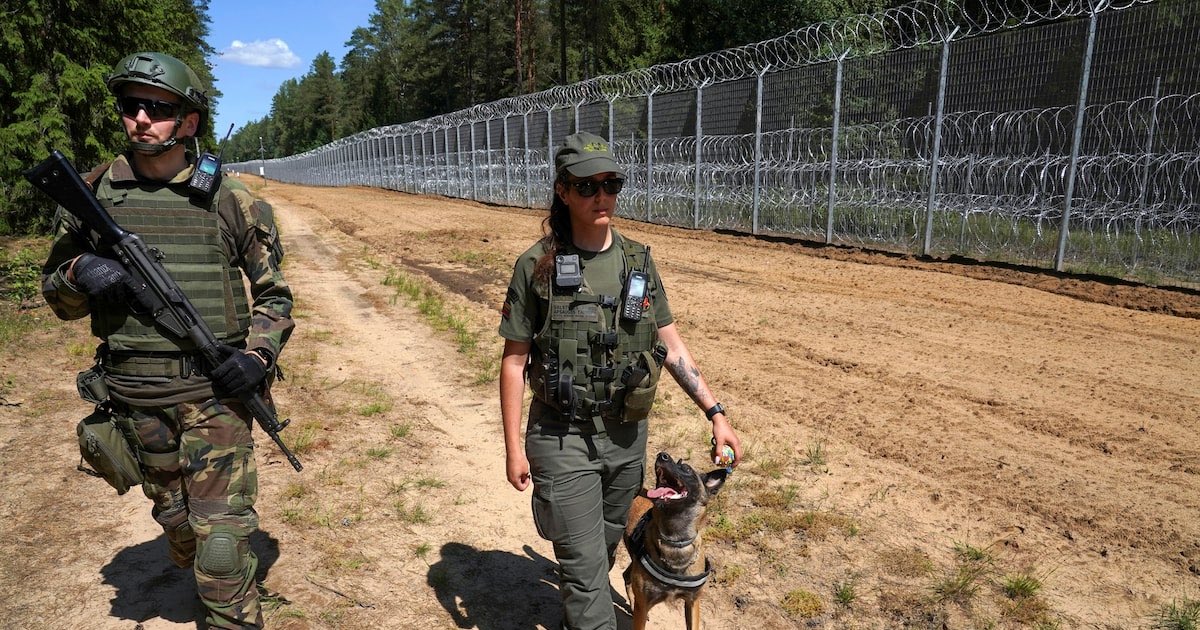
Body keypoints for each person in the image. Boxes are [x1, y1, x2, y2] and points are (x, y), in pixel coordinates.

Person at [40, 52, 293, 629]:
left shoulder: (230, 200)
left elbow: (275, 296)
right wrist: (78, 275)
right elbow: (56, 300)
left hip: (214, 397)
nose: (141, 119)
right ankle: (187, 540)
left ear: (190, 122)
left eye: (157, 107)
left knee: (221, 550)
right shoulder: (92, 196)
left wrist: (256, 357)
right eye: (131, 106)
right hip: (134, 397)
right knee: (178, 521)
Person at [499, 131, 742, 630]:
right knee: (589, 579)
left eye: (612, 184)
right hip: (561, 437)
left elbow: (671, 345)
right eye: (588, 186)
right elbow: (513, 361)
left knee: (604, 550)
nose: (602, 196)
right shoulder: (536, 266)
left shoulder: (638, 262)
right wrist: (512, 448)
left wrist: (715, 413)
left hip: (626, 439)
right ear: (563, 191)